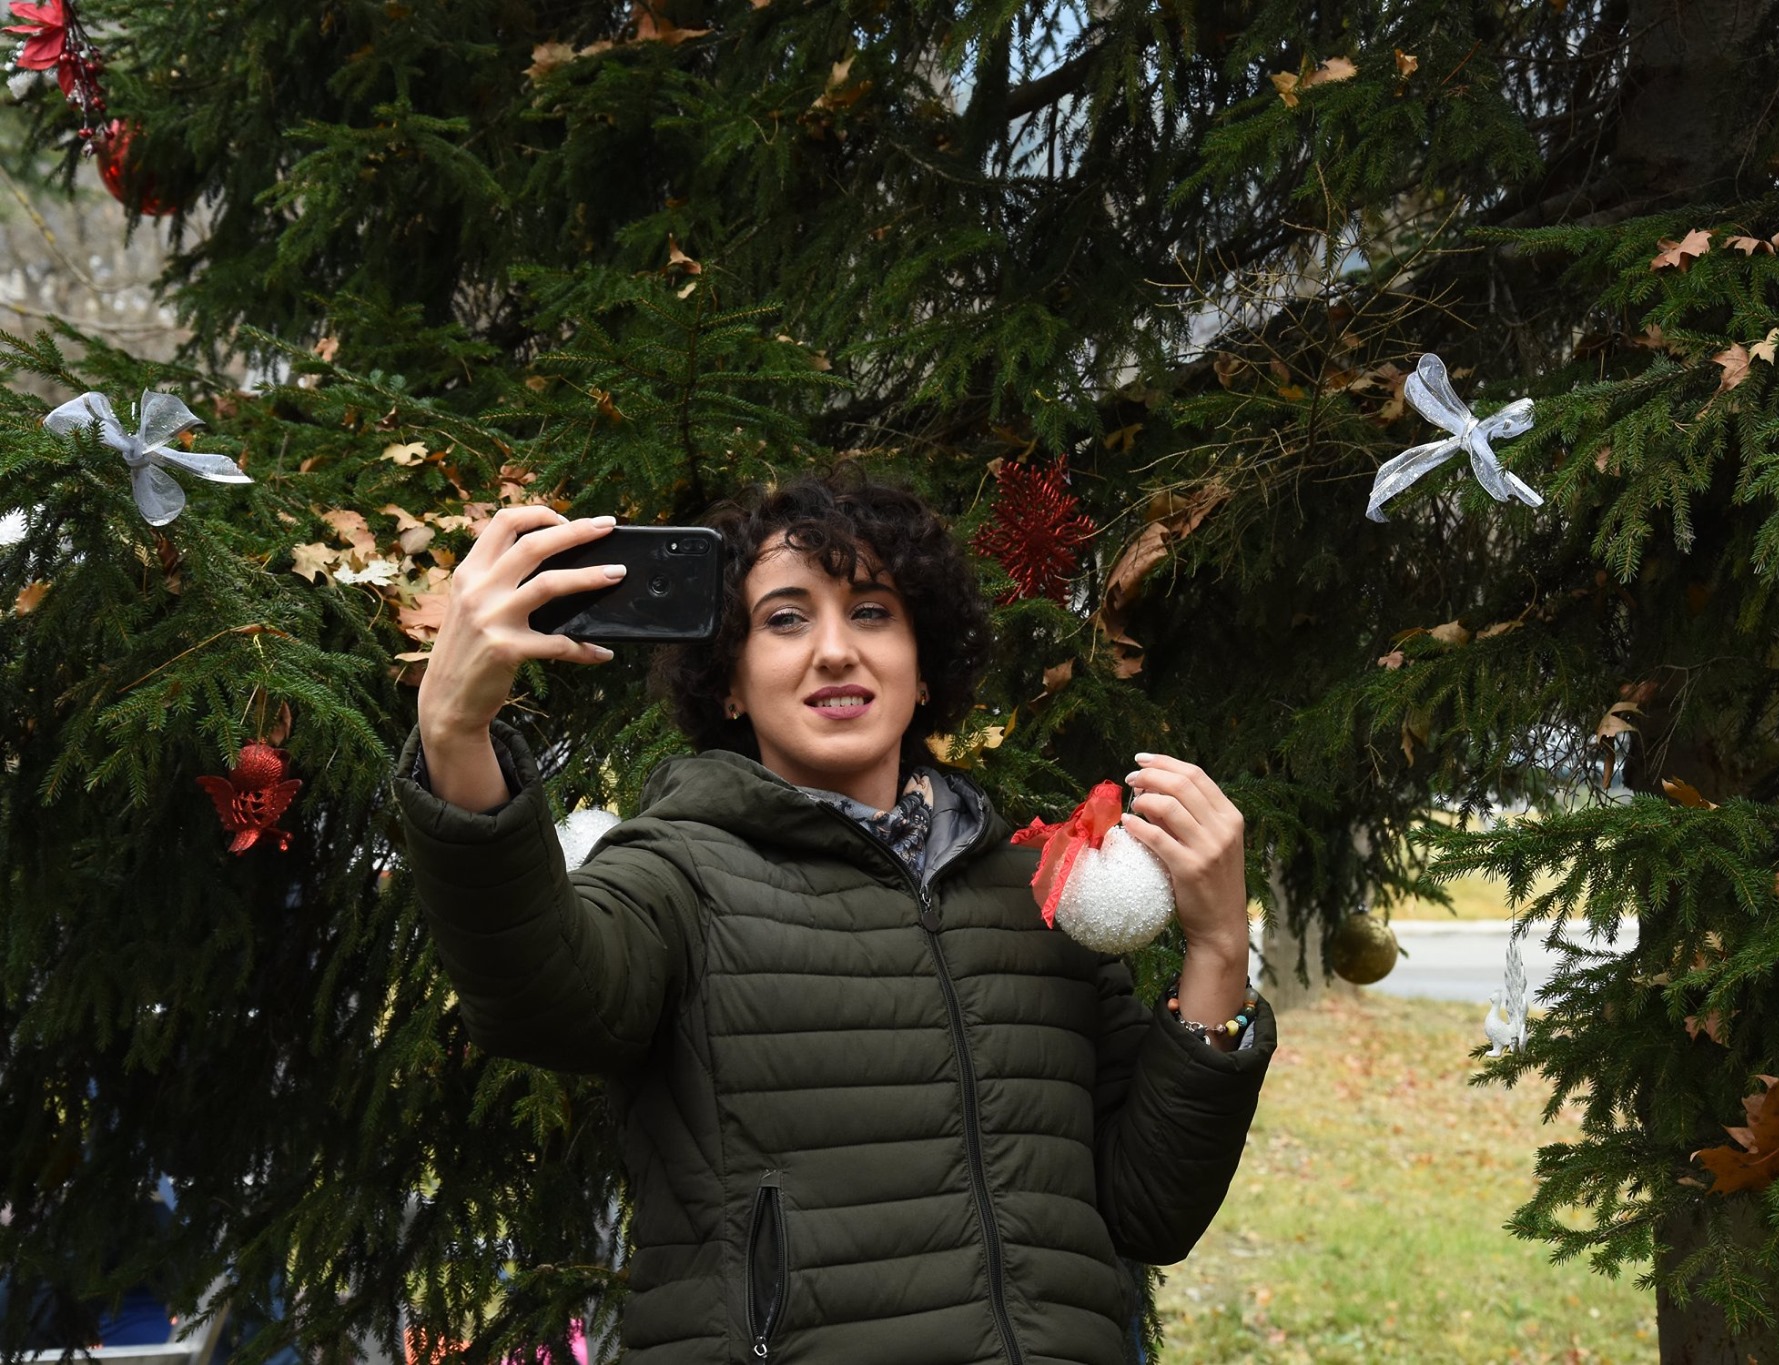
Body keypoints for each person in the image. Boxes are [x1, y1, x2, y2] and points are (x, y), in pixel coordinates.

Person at [392, 474, 1275, 1365]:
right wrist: (455, 732)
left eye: (872, 612)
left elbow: (1149, 1212)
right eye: (785, 619)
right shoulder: (677, 872)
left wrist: (1216, 946)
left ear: (923, 668)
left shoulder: (1039, 892)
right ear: (729, 684)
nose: (834, 650)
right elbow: (541, 998)